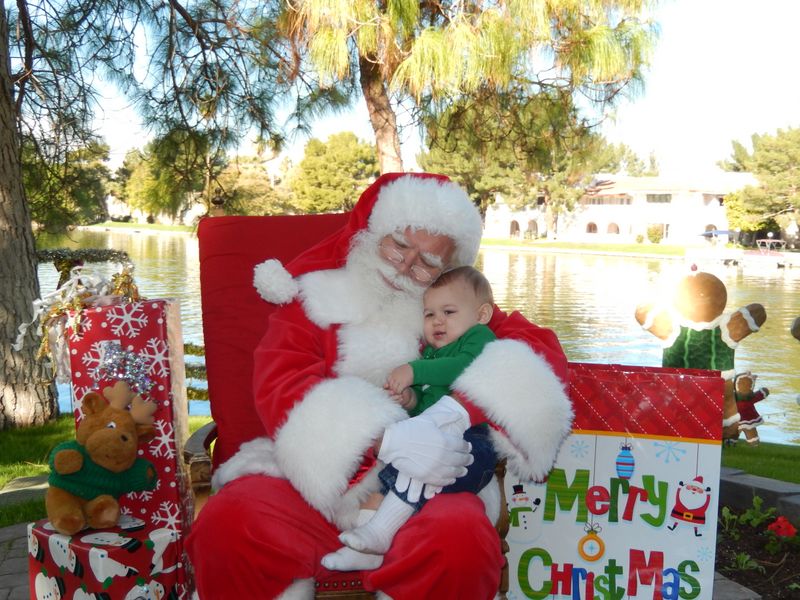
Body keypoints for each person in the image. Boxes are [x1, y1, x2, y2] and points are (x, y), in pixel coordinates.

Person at [187, 172, 573, 599]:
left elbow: (537, 354)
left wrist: (451, 419)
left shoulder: (451, 311)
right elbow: (283, 383)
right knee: (232, 521)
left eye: (428, 261)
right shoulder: (314, 298)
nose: (406, 265)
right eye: (400, 244)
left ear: (448, 271)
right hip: (313, 480)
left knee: (460, 539)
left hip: (425, 488)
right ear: (371, 233)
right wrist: (388, 438)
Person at [322, 266, 498, 571]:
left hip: (472, 446)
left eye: (449, 311)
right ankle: (370, 546)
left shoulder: (479, 340)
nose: (437, 321)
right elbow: (426, 407)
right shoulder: (430, 354)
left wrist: (414, 371)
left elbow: (462, 368)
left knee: (417, 463)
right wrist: (411, 399)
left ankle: (378, 535)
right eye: (429, 314)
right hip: (434, 439)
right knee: (383, 480)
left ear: (481, 315)